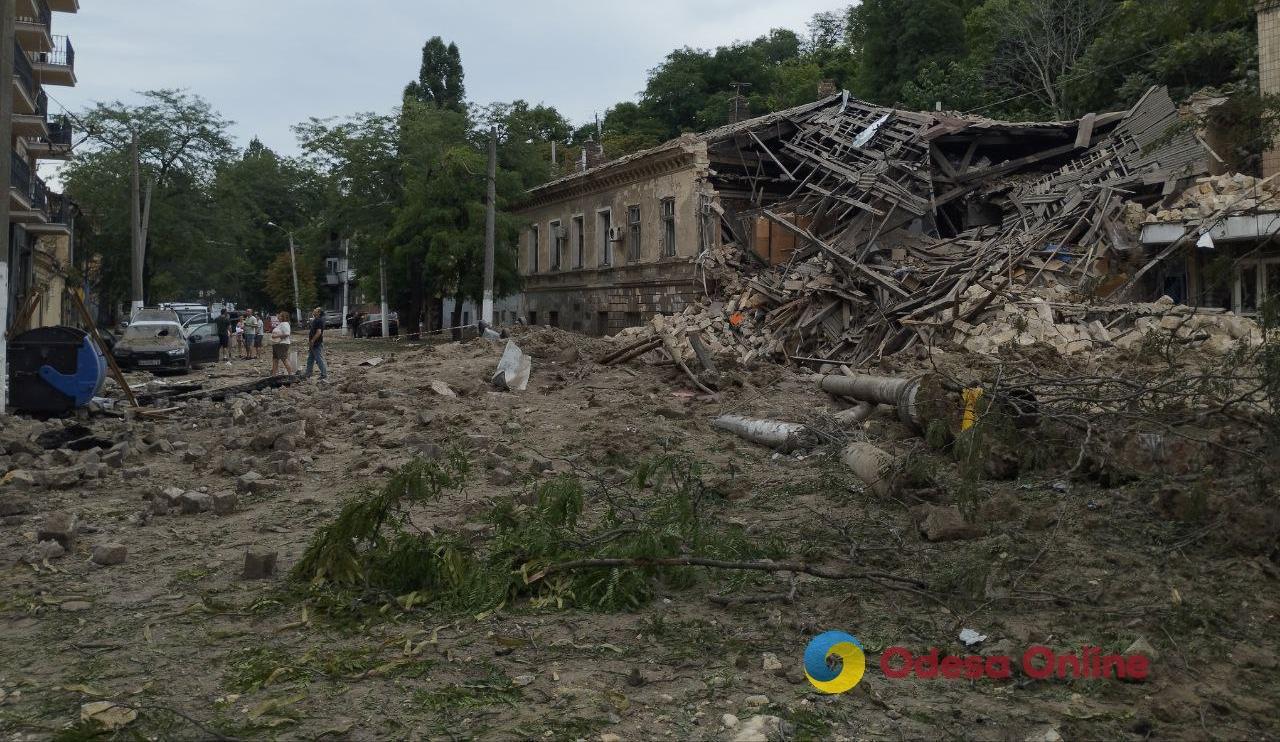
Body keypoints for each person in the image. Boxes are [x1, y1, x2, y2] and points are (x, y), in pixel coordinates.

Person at [301, 306, 329, 382]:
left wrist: (313, 340)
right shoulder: (315, 320)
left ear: (319, 312)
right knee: (310, 358)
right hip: (313, 342)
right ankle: (308, 373)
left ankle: (324, 374)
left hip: (316, 343)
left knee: (319, 358)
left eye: (316, 310)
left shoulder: (319, 320)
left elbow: (319, 332)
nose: (313, 310)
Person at [270, 310, 294, 376]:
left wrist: (276, 336)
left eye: (280, 315)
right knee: (275, 359)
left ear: (283, 317)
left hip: (282, 344)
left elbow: (287, 334)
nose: (278, 316)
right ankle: (274, 374)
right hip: (277, 344)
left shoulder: (285, 324)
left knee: (284, 359)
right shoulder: (281, 324)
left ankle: (290, 374)